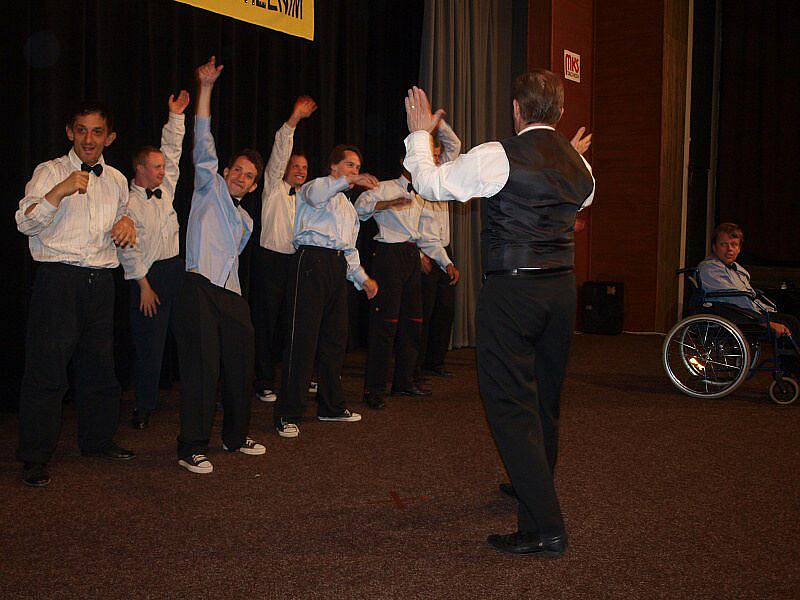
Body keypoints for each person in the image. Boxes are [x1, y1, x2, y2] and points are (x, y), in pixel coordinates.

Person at [402, 71, 595, 556]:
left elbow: (430, 183)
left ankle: (546, 527)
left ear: (516, 108)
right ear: (560, 112)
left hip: (514, 293)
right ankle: (535, 486)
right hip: (561, 290)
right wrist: (566, 152)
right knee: (545, 398)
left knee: (509, 404)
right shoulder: (579, 165)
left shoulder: (499, 154)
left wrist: (419, 134)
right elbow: (581, 196)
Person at [15, 100, 138, 487]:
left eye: (97, 131)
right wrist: (59, 192)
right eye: (81, 130)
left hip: (101, 283)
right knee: (47, 373)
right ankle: (34, 457)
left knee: (100, 370)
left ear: (109, 137)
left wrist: (127, 224)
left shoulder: (117, 180)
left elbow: (124, 218)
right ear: (70, 132)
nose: (89, 138)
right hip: (59, 281)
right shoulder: (49, 171)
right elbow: (24, 222)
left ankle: (97, 441)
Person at [172, 56, 265, 474]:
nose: (242, 178)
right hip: (198, 288)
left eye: (250, 176)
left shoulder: (247, 218)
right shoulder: (208, 188)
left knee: (241, 368)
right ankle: (190, 445)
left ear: (255, 184)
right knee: (203, 370)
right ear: (225, 171)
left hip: (232, 296)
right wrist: (206, 88)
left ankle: (233, 436)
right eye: (238, 171)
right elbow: (203, 138)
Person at [273, 145, 380, 438]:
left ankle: (330, 406)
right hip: (310, 263)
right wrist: (349, 181)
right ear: (334, 167)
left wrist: (363, 279)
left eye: (357, 167)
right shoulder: (315, 187)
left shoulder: (347, 207)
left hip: (335, 268)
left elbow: (349, 248)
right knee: (302, 341)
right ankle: (287, 412)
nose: (354, 171)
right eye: (349, 165)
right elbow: (318, 195)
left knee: (335, 341)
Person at [354, 136, 460, 409]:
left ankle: (404, 381)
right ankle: (374, 390)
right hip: (388, 256)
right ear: (403, 162)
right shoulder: (384, 187)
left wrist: (444, 261)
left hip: (412, 256)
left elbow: (427, 236)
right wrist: (385, 204)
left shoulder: (422, 195)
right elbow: (360, 209)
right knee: (385, 325)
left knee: (413, 322)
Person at [119, 91, 190, 430]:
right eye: (157, 166)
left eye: (163, 167)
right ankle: (143, 406)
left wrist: (175, 116)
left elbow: (173, 152)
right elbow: (126, 249)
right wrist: (144, 285)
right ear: (140, 169)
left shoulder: (167, 188)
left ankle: (194, 396)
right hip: (148, 278)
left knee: (190, 336)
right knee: (150, 345)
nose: (163, 171)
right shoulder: (127, 202)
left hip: (175, 269)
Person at [251, 96, 317, 404]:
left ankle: (296, 378)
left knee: (295, 324)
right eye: (296, 166)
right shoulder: (274, 187)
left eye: (305, 167)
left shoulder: (309, 197)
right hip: (270, 262)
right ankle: (263, 381)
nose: (301, 171)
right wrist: (293, 121)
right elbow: (278, 153)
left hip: (298, 263)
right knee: (266, 324)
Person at [416, 123, 462, 381]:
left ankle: (435, 361)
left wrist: (438, 125)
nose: (436, 159)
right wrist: (416, 253)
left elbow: (454, 145)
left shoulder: (442, 174)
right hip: (423, 252)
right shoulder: (418, 180)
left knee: (445, 310)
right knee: (425, 311)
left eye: (436, 154)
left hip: (445, 249)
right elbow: (407, 223)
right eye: (431, 156)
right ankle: (417, 365)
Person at [698, 223, 799, 341]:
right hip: (733, 315)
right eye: (723, 244)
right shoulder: (710, 268)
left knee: (791, 319)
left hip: (745, 313)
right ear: (714, 247)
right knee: (789, 324)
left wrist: (766, 310)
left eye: (734, 245)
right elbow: (735, 299)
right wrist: (764, 322)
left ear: (739, 249)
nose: (729, 249)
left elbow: (748, 296)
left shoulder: (737, 270)